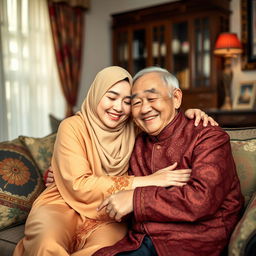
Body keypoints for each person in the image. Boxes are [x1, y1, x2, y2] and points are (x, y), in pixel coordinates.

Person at [13, 66, 215, 256]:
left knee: (103, 251)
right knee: (47, 244)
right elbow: (78, 184)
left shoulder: (134, 128)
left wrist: (190, 114)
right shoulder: (72, 126)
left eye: (127, 102)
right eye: (111, 97)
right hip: (62, 203)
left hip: (108, 212)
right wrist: (148, 180)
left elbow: (164, 118)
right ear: (96, 94)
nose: (118, 107)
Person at [94, 67, 244, 256]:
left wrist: (135, 199)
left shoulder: (208, 137)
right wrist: (59, 173)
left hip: (191, 242)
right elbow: (102, 166)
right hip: (141, 239)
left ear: (176, 98)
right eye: (137, 102)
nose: (145, 108)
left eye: (151, 98)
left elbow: (201, 200)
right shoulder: (136, 141)